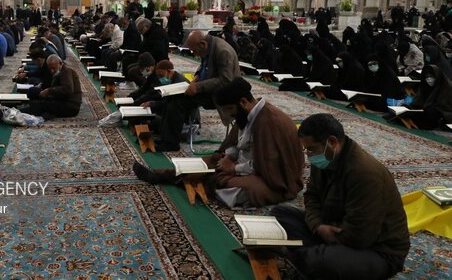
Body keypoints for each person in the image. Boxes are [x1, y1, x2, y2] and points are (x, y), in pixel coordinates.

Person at [271, 114, 410, 279]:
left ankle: (304, 257)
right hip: (332, 230)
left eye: (311, 149)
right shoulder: (324, 158)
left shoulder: (366, 174)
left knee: (319, 262)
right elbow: (312, 197)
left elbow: (360, 236)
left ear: (332, 142)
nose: (309, 155)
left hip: (376, 250)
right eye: (306, 150)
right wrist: (318, 227)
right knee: (280, 215)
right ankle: (307, 256)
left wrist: (324, 231)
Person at [134, 77, 304, 207]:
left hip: (272, 178)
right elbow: (238, 143)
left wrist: (234, 167)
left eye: (230, 109)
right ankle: (162, 175)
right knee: (207, 162)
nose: (230, 114)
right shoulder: (248, 114)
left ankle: (197, 180)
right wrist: (228, 157)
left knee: (236, 186)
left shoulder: (270, 122)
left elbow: (267, 165)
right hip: (246, 165)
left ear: (243, 102)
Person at [156, 31, 240, 151]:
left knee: (177, 104)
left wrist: (198, 87)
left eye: (194, 51)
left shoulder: (222, 51)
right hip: (208, 90)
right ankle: (165, 138)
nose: (194, 54)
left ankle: (171, 143)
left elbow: (225, 81)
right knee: (171, 98)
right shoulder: (208, 47)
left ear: (202, 44)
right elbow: (203, 67)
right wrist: (197, 78)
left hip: (220, 95)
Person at [13, 55, 82, 121]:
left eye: (54, 68)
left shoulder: (66, 72)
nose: (52, 71)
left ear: (60, 64)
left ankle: (14, 114)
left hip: (70, 106)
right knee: (36, 98)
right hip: (62, 102)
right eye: (50, 69)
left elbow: (68, 89)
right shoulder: (60, 72)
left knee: (40, 106)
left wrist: (49, 91)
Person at [408, 65, 452, 129]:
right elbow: (417, 102)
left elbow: (446, 107)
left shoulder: (447, 87)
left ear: (437, 76)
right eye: (426, 77)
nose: (429, 79)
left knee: (430, 111)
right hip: (427, 112)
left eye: (431, 77)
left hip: (443, 114)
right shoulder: (425, 86)